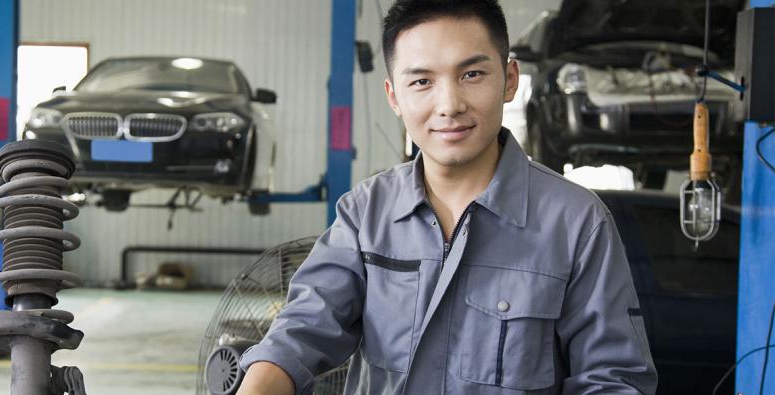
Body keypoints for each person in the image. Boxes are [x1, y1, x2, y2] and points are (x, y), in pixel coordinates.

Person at [237, 1, 658, 394]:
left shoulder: (577, 223)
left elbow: (613, 378)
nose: (449, 105)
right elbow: (300, 332)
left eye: (471, 75)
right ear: (394, 97)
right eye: (422, 81)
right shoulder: (365, 212)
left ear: (509, 80)